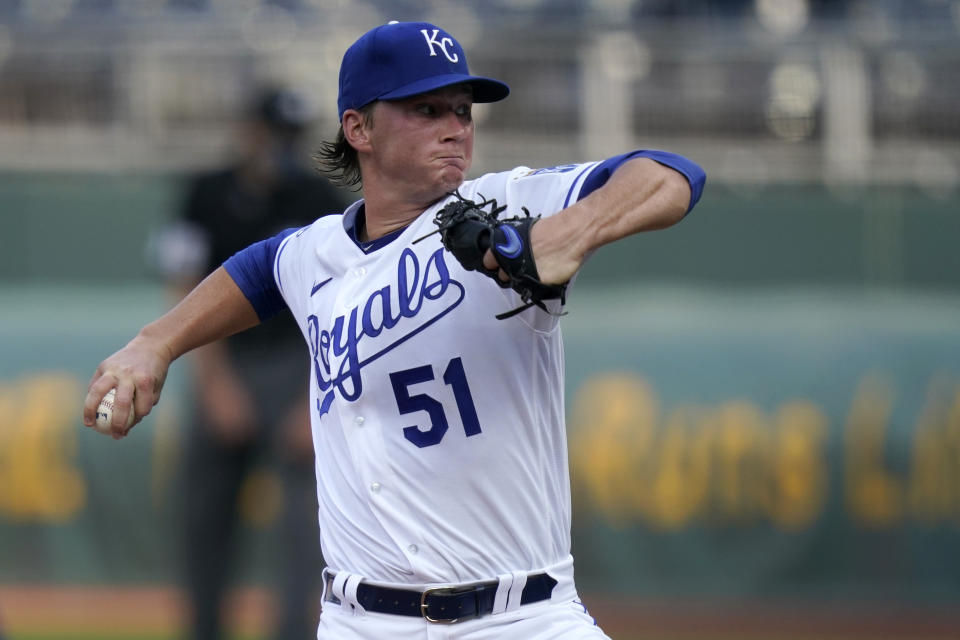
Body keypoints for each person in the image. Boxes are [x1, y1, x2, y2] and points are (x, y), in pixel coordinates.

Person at [85, 21, 705, 640]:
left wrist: (570, 232)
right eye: (426, 109)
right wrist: (156, 342)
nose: (455, 127)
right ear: (359, 129)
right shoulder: (316, 252)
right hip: (360, 622)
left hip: (522, 616)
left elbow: (671, 175)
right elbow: (255, 273)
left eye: (463, 111)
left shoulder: (507, 204)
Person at [150, 87, 347, 640]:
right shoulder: (205, 194)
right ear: (248, 131)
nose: (280, 148)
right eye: (273, 134)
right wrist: (213, 383)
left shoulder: (320, 199)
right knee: (204, 522)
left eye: (291, 137)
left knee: (308, 534)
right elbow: (183, 287)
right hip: (225, 360)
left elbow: (338, 307)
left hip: (296, 364)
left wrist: (315, 398)